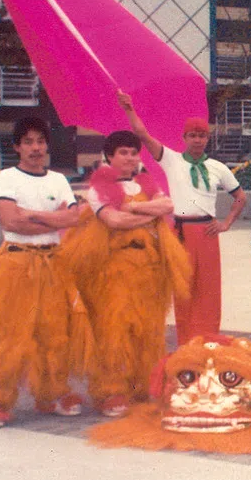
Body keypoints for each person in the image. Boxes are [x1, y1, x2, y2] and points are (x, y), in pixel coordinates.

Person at [0, 117, 87, 428]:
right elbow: (11, 222)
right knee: (9, 333)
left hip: (53, 263)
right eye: (28, 142)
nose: (36, 148)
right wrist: (52, 218)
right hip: (17, 265)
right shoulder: (6, 178)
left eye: (40, 142)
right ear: (17, 146)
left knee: (55, 332)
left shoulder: (58, 180)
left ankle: (52, 393)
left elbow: (74, 219)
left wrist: (31, 213)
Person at [63, 130, 191, 418]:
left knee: (148, 330)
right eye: (123, 152)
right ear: (110, 156)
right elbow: (113, 219)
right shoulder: (97, 189)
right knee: (114, 329)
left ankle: (141, 384)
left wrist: (133, 206)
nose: (130, 158)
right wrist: (149, 214)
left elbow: (168, 205)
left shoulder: (145, 182)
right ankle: (110, 390)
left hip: (149, 268)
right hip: (115, 269)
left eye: (134, 153)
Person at [117, 90, 246, 345]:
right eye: (193, 136)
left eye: (202, 136)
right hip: (181, 232)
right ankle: (186, 343)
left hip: (207, 232)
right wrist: (129, 108)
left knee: (208, 291)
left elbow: (240, 197)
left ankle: (208, 342)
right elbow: (143, 135)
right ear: (184, 138)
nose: (198, 140)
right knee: (183, 290)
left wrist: (225, 224)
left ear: (208, 138)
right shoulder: (172, 160)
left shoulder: (217, 167)